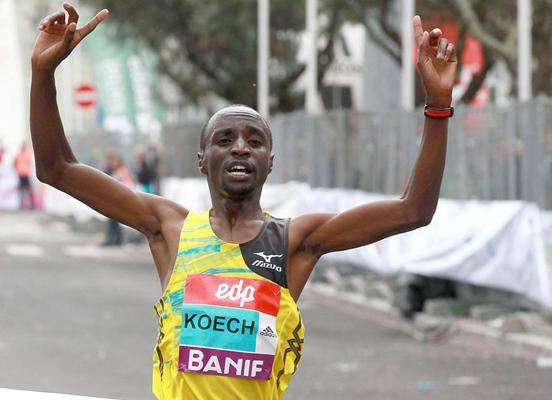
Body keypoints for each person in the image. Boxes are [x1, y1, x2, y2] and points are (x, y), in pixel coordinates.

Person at [31, 4, 456, 399]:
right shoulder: (169, 227)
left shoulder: (295, 241)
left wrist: (437, 107)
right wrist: (42, 74)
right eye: (224, 140)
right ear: (202, 160)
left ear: (270, 163)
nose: (239, 148)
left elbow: (413, 210)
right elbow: (57, 169)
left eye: (254, 141)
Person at [103, 150, 133, 246]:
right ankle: (114, 239)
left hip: (119, 198)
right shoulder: (111, 170)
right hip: (112, 199)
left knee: (115, 220)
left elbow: (127, 184)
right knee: (113, 219)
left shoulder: (122, 170)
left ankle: (116, 239)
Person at [14, 143, 34, 209]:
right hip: (20, 174)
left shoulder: (26, 154)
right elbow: (14, 163)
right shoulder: (18, 155)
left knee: (28, 189)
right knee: (22, 190)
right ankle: (21, 204)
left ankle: (31, 204)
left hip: (26, 173)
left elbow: (29, 163)